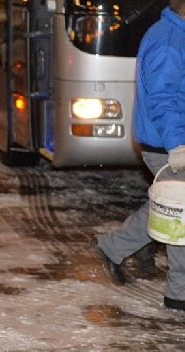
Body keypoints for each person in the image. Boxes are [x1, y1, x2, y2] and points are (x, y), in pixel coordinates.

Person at [96, 0, 185, 312]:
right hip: (169, 146)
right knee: (180, 217)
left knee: (165, 206)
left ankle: (113, 247)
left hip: (173, 141)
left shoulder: (178, 35)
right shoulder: (169, 42)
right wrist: (178, 147)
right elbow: (163, 99)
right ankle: (179, 294)